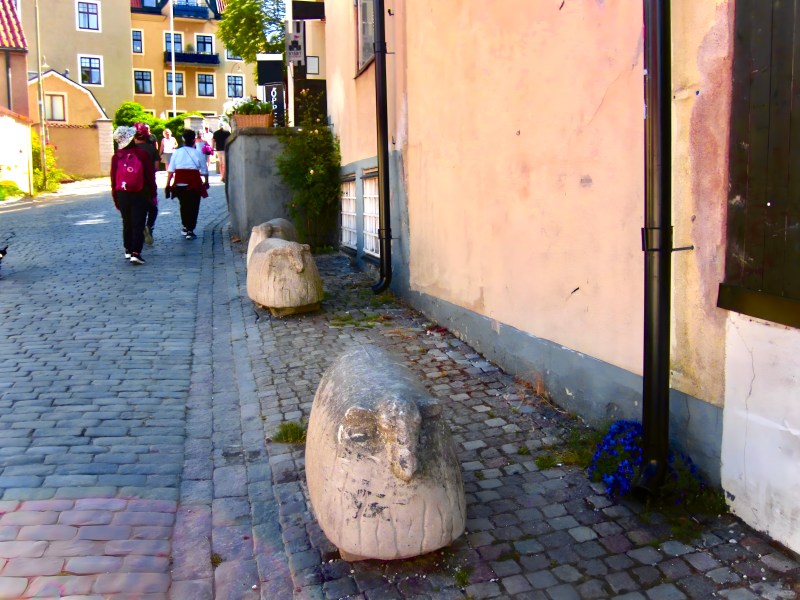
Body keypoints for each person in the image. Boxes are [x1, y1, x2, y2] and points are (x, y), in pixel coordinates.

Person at [110, 126, 156, 265]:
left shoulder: (116, 157)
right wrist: (152, 193)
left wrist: (115, 197)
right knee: (138, 222)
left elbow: (113, 179)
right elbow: (149, 175)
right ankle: (136, 252)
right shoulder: (141, 154)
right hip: (139, 192)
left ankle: (128, 249)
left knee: (127, 221)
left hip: (122, 192)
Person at [166, 129, 209, 240]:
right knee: (194, 206)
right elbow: (204, 170)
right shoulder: (198, 153)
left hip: (180, 182)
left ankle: (185, 226)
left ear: (183, 140)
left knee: (183, 205)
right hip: (194, 182)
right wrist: (206, 181)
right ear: (194, 140)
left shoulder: (177, 152)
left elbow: (171, 169)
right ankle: (190, 229)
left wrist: (168, 184)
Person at [133, 122, 160, 245]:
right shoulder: (151, 148)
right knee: (152, 208)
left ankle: (139, 231)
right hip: (148, 183)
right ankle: (149, 226)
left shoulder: (131, 149)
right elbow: (156, 167)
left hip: (133, 184)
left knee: (137, 209)